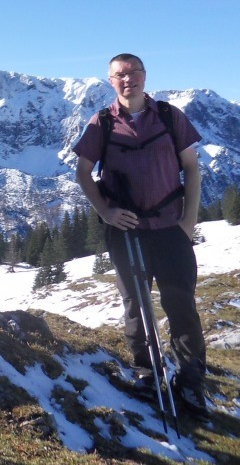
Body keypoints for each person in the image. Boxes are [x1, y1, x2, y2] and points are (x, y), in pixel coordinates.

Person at [73, 53, 207, 418]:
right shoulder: (101, 122)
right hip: (126, 231)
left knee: (181, 305)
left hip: (169, 227)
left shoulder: (169, 116)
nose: (127, 79)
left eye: (133, 72)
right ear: (110, 81)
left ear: (145, 76)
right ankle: (146, 372)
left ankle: (191, 380)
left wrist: (188, 222)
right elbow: (83, 171)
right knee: (135, 303)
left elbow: (192, 169)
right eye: (119, 75)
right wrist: (105, 212)